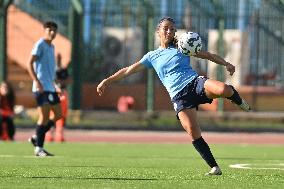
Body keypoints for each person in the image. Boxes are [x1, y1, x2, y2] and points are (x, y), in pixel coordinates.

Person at [97, 17, 251, 176]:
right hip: (179, 96)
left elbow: (208, 55)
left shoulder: (182, 46)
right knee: (192, 130)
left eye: (172, 29)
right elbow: (128, 70)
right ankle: (214, 167)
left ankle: (239, 101)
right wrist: (107, 81)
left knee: (224, 89)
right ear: (158, 31)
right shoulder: (152, 56)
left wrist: (226, 63)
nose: (169, 31)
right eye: (166, 28)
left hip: (194, 83)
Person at [26, 21, 62, 156]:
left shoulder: (52, 47)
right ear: (45, 31)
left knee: (59, 114)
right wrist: (37, 82)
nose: (52, 32)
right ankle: (38, 148)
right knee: (44, 117)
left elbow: (50, 70)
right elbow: (29, 63)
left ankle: (36, 136)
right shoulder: (40, 44)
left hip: (50, 87)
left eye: (54, 30)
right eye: (49, 30)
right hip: (41, 87)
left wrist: (55, 85)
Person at [45, 53, 69, 142]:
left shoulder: (63, 70)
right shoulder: (52, 70)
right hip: (54, 93)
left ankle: (59, 134)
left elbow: (67, 80)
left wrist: (61, 83)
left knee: (62, 114)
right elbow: (51, 81)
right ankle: (49, 134)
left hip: (63, 93)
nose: (58, 59)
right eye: (57, 58)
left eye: (59, 58)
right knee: (52, 113)